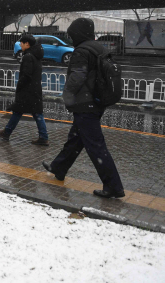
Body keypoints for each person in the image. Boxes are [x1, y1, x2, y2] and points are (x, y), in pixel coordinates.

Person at [42, 18, 125, 199]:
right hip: (96, 101)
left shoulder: (81, 51)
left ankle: (113, 186)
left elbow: (77, 77)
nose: (71, 38)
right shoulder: (98, 48)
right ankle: (59, 167)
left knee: (95, 146)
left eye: (71, 35)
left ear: (77, 34)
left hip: (85, 104)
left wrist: (67, 96)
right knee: (76, 138)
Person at [0, 34, 49, 145]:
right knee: (32, 112)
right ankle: (42, 137)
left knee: (23, 111)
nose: (20, 44)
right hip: (35, 88)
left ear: (27, 44)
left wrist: (20, 85)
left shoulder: (28, 56)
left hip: (28, 90)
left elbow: (26, 75)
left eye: (22, 43)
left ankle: (7, 132)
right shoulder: (36, 55)